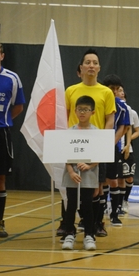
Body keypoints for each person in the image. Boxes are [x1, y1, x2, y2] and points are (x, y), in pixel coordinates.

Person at [64, 49, 115, 238]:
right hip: (74, 145)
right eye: (87, 62)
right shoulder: (71, 90)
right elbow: (64, 117)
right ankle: (68, 226)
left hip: (95, 147)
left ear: (99, 67)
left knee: (95, 190)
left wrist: (103, 143)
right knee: (71, 187)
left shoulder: (106, 92)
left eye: (95, 62)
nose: (91, 65)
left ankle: (94, 225)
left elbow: (110, 120)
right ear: (81, 67)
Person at [0, 40, 25, 238]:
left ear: (2, 56)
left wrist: (4, 120)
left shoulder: (12, 78)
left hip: (1, 133)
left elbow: (18, 106)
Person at [60, 96, 100, 251]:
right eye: (80, 109)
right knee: (71, 204)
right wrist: (70, 171)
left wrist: (89, 165)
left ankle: (89, 235)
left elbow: (100, 155)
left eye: (86, 109)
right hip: (72, 175)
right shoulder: (69, 132)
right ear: (75, 111)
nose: (82, 112)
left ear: (92, 112)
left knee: (88, 204)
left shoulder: (97, 133)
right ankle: (69, 234)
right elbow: (65, 154)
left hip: (89, 175)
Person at [101, 74, 130, 227]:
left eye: (116, 89)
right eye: (111, 88)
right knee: (99, 181)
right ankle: (98, 213)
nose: (114, 91)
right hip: (96, 145)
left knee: (113, 180)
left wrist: (111, 143)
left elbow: (123, 127)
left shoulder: (122, 106)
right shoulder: (98, 101)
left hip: (112, 146)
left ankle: (115, 213)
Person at [116, 87, 139, 214]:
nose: (120, 92)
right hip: (116, 146)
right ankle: (117, 205)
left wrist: (128, 141)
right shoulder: (112, 109)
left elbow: (136, 131)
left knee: (129, 177)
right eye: (117, 90)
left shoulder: (131, 112)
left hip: (127, 148)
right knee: (119, 178)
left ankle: (125, 200)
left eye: (121, 91)